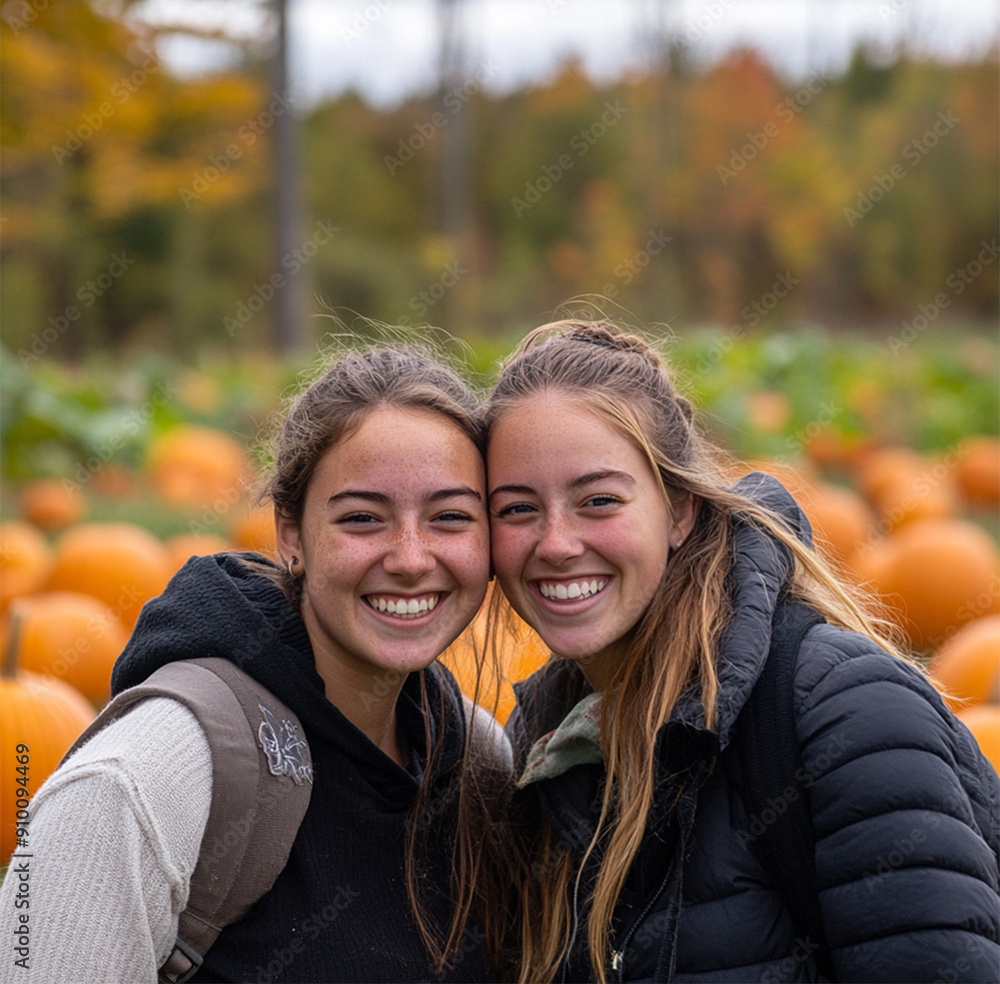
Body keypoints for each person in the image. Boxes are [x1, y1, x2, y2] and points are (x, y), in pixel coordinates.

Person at [484, 317, 1000, 983]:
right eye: (518, 509)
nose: (555, 543)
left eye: (599, 500)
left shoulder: (841, 713)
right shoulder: (537, 750)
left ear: (678, 510)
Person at [0, 346, 517, 983]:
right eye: (362, 518)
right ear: (290, 534)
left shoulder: (479, 762)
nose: (411, 558)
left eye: (450, 517)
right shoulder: (144, 780)